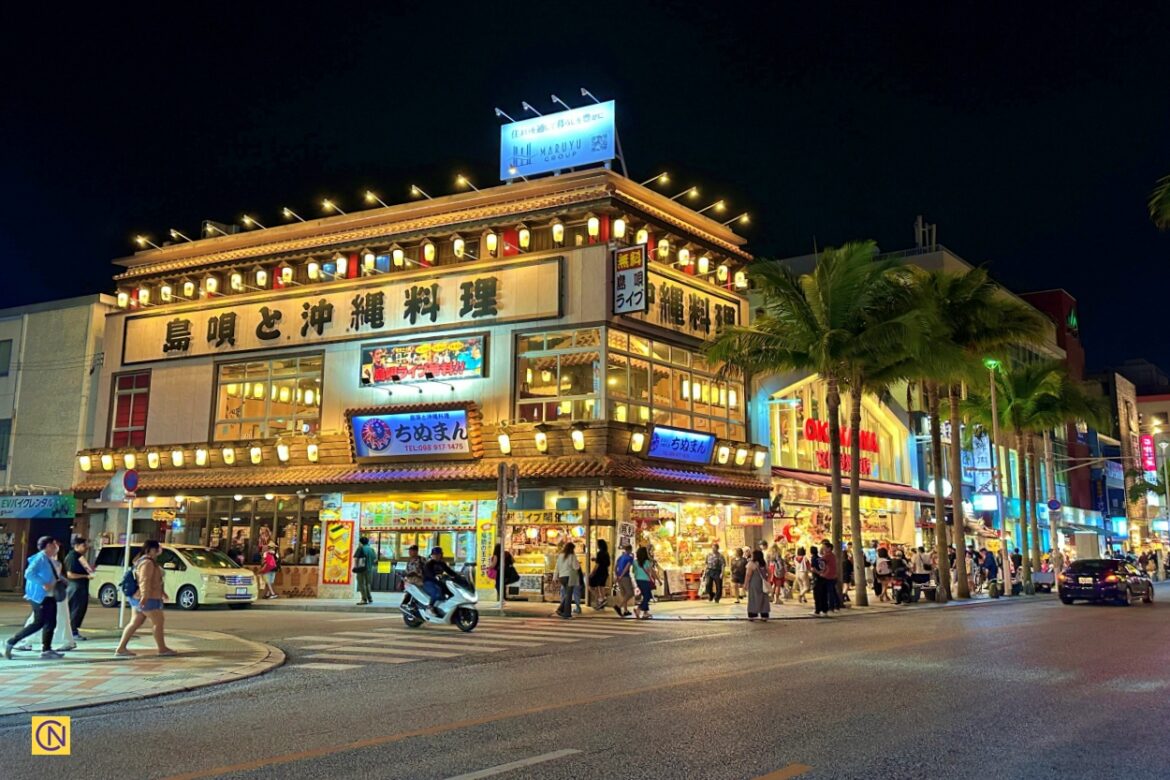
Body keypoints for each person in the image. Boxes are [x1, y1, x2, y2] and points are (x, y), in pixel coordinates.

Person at [4, 536, 65, 660]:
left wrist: (63, 581)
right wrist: (43, 583)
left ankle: (46, 649)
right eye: (54, 545)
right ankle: (11, 641)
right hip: (40, 596)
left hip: (50, 595)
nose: (56, 547)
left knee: (51, 622)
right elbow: (29, 573)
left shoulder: (49, 559)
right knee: (39, 623)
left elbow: (55, 575)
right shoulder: (40, 558)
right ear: (48, 546)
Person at [115, 540, 176, 658]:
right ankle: (162, 648)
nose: (159, 551)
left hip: (142, 597)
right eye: (157, 548)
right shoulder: (147, 563)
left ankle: (121, 648)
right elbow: (144, 580)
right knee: (158, 622)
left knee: (135, 622)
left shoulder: (144, 561)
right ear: (151, 549)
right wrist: (145, 596)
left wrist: (162, 592)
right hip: (148, 598)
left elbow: (154, 580)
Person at [64, 535, 93, 642]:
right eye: (84, 545)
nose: (86, 547)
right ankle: (72, 632)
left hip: (81, 587)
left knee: (80, 609)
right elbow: (70, 574)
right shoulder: (72, 556)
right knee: (75, 609)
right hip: (75, 587)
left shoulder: (79, 557)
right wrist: (85, 576)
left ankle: (73, 630)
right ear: (76, 546)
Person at [422, 546, 459, 616]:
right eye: (435, 554)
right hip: (428, 582)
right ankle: (429, 607)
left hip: (439, 582)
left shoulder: (442, 563)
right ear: (432, 555)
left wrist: (458, 576)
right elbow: (429, 573)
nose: (436, 556)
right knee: (436, 592)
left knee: (451, 593)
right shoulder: (429, 564)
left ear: (441, 555)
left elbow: (449, 571)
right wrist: (435, 576)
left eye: (438, 554)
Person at [554, 542, 582, 619]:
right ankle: (566, 614)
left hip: (562, 577)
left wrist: (555, 577)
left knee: (567, 595)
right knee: (569, 596)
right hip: (570, 577)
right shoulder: (572, 556)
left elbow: (557, 567)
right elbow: (576, 567)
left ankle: (560, 609)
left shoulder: (560, 556)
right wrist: (578, 564)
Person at [745, 549, 770, 620]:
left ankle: (753, 614)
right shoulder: (764, 563)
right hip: (763, 583)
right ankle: (764, 614)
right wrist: (767, 580)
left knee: (753, 598)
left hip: (754, 583)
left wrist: (745, 584)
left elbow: (748, 575)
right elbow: (769, 572)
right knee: (764, 598)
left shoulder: (751, 563)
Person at [631, 546, 656, 619]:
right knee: (647, 597)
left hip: (638, 580)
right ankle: (638, 609)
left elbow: (633, 571)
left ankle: (645, 613)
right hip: (645, 580)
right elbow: (649, 572)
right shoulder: (647, 562)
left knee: (646, 596)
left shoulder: (635, 562)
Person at [613, 543, 635, 617]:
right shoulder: (630, 558)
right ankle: (619, 606)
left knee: (624, 594)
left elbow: (615, 567)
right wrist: (622, 575)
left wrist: (617, 576)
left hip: (619, 577)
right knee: (630, 593)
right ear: (630, 550)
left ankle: (625, 610)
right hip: (625, 577)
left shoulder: (620, 557)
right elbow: (627, 567)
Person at [588, 539, 610, 609]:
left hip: (599, 572)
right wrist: (596, 559)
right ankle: (602, 600)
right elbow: (607, 563)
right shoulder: (606, 553)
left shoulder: (600, 553)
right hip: (605, 572)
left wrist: (592, 573)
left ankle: (599, 599)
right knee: (601, 586)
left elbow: (597, 565)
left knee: (590, 586)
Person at [353, 536, 375, 605]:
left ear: (360, 542)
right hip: (369, 569)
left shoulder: (360, 548)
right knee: (368, 583)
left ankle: (364, 599)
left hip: (361, 569)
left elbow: (356, 559)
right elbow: (375, 559)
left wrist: (356, 567)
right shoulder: (371, 549)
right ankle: (370, 598)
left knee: (361, 584)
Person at [820, 540, 840, 612]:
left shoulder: (827, 556)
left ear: (829, 548)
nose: (823, 548)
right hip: (833, 575)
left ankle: (831, 606)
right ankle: (836, 605)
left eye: (824, 547)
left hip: (828, 576)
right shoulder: (832, 555)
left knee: (829, 592)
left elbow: (820, 563)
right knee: (833, 591)